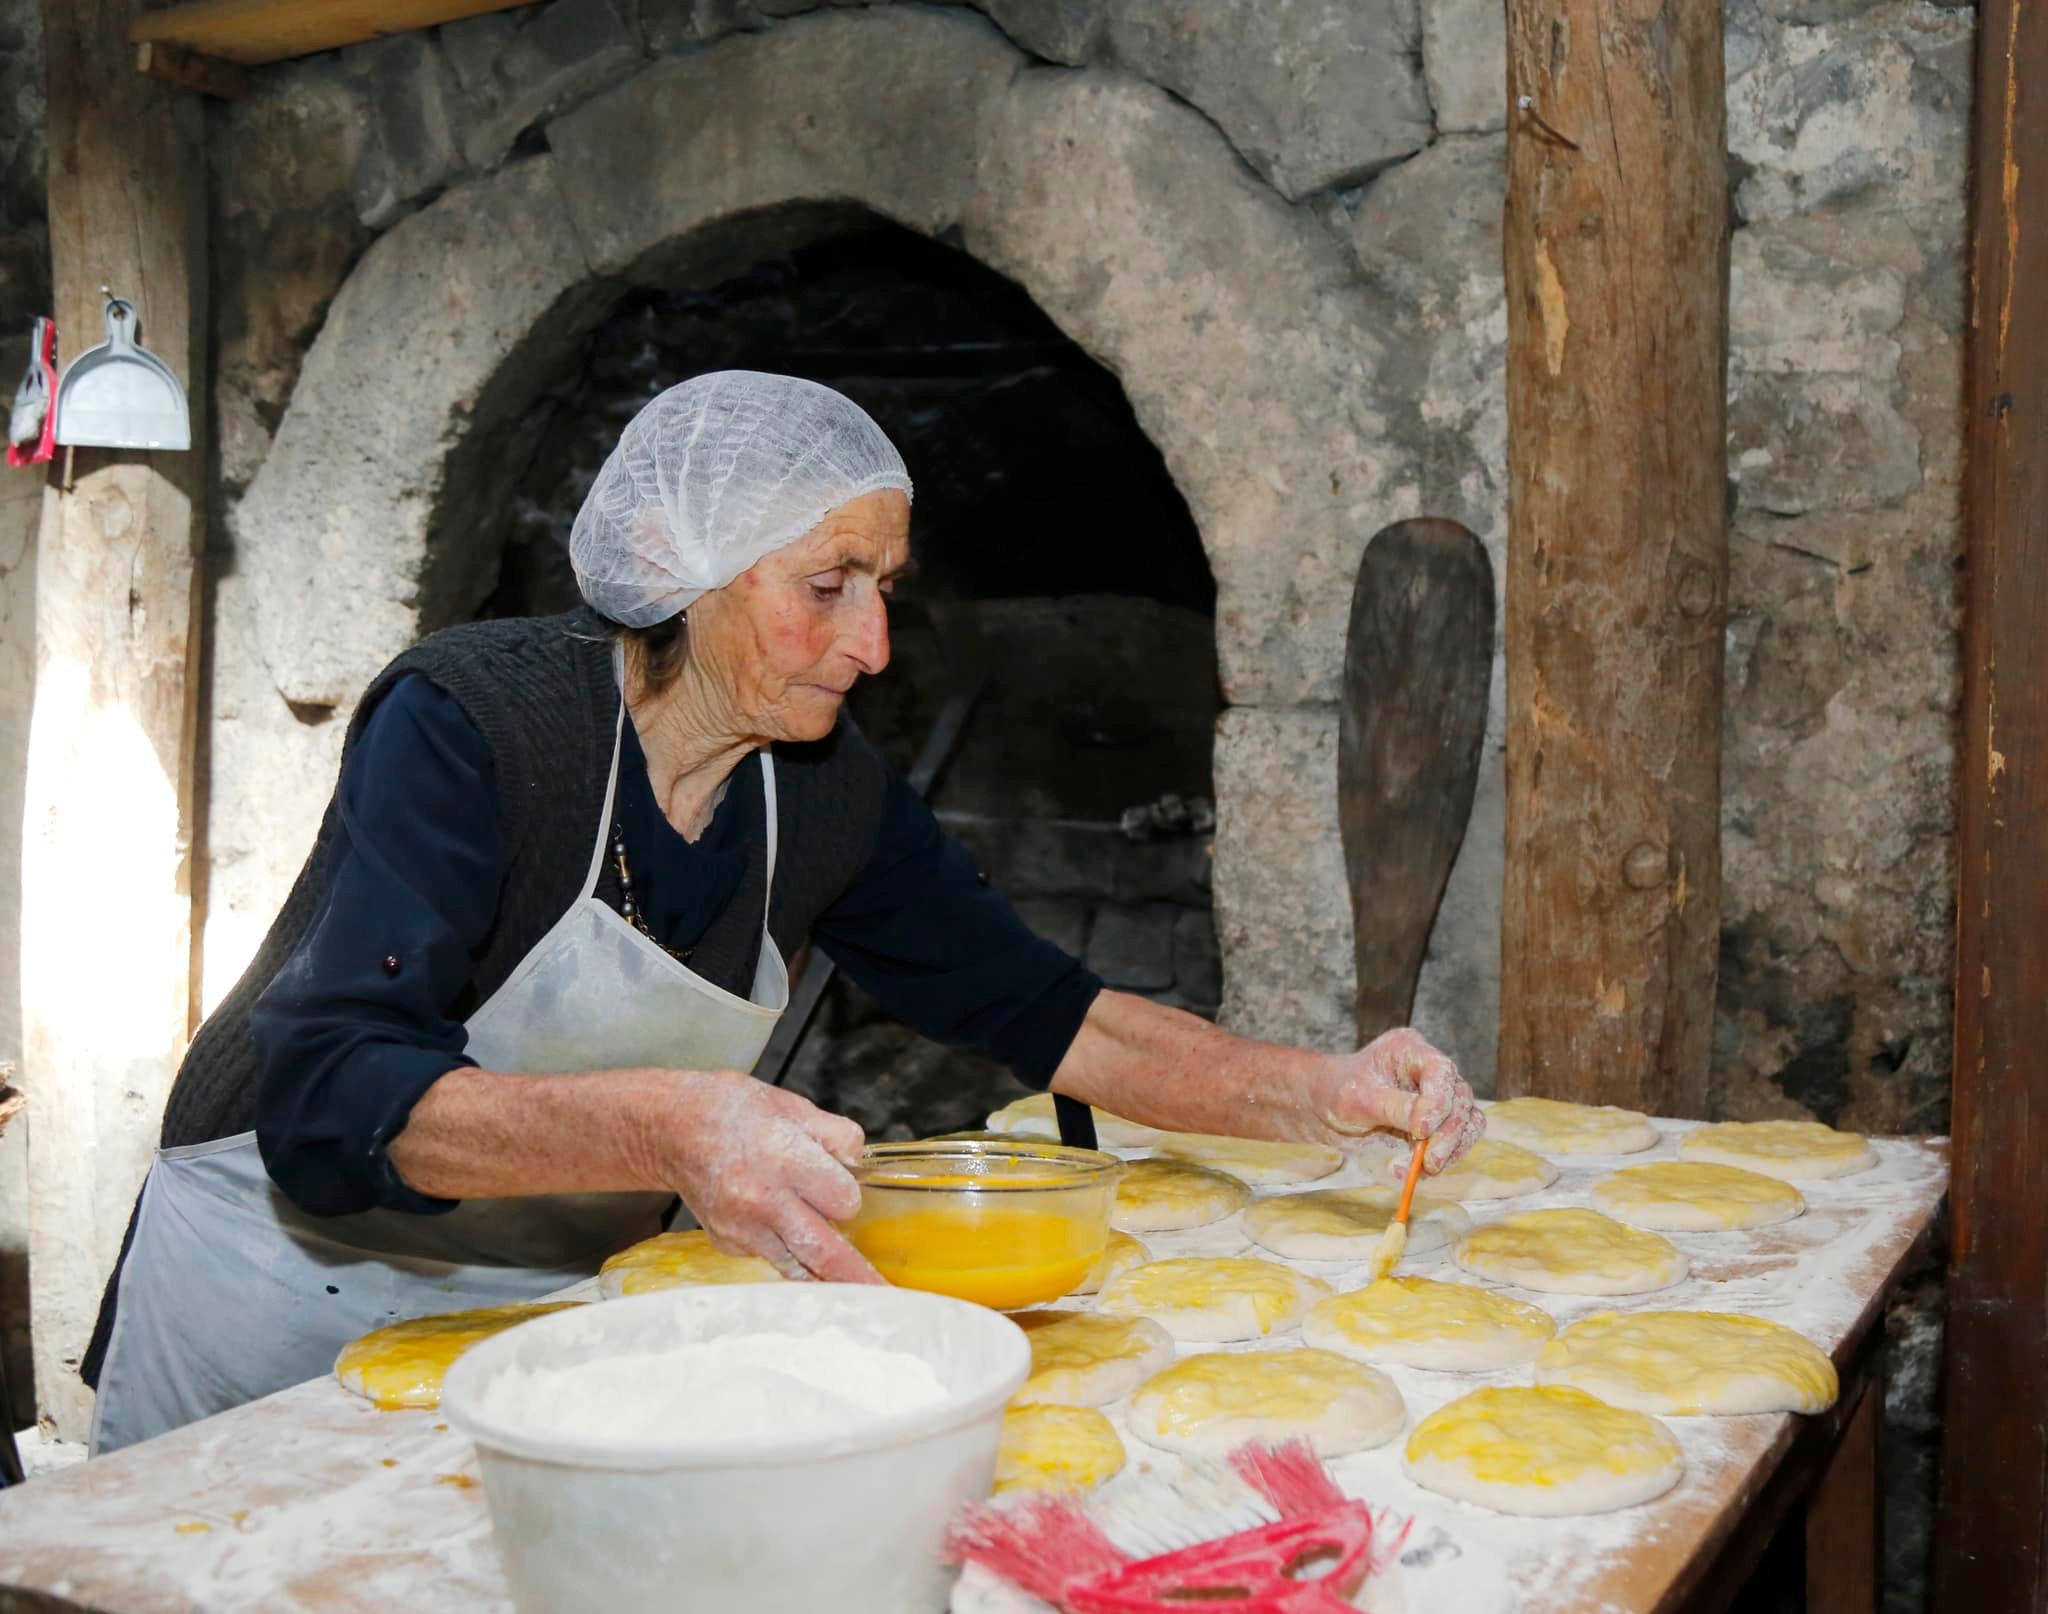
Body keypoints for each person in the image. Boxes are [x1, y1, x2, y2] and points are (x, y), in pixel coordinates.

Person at [83, 371, 1482, 1453]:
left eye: (885, 590)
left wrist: (1321, 1091)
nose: (874, 644)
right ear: (683, 570)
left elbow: (1059, 1017)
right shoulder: (473, 725)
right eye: (829, 587)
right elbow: (330, 1099)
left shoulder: (815, 792)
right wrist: (669, 1126)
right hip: (271, 1307)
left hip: (540, 1323)